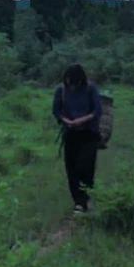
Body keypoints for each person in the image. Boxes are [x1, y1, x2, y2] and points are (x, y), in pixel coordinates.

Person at [52, 63, 102, 214]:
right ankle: (78, 202)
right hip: (70, 134)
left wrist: (82, 120)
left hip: (89, 133)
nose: (71, 85)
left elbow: (97, 111)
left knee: (85, 167)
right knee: (71, 169)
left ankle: (86, 197)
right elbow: (56, 110)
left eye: (74, 82)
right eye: (68, 82)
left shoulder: (90, 89)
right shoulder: (60, 90)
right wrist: (66, 121)